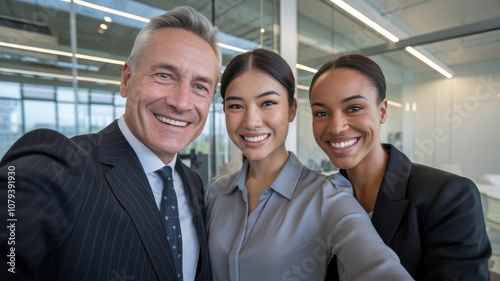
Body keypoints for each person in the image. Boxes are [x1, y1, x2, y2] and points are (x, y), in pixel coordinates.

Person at [0, 6, 220, 281]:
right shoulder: (61, 164)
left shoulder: (194, 183)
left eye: (200, 86)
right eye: (165, 75)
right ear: (127, 79)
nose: (182, 102)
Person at [204, 48, 413, 281]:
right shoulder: (215, 193)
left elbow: (377, 267)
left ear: (292, 109)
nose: (251, 122)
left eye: (267, 103)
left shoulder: (327, 196)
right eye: (236, 106)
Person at [308, 53, 492, 281]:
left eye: (354, 108)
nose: (336, 127)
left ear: (382, 112)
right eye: (321, 113)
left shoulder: (450, 195)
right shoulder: (321, 197)